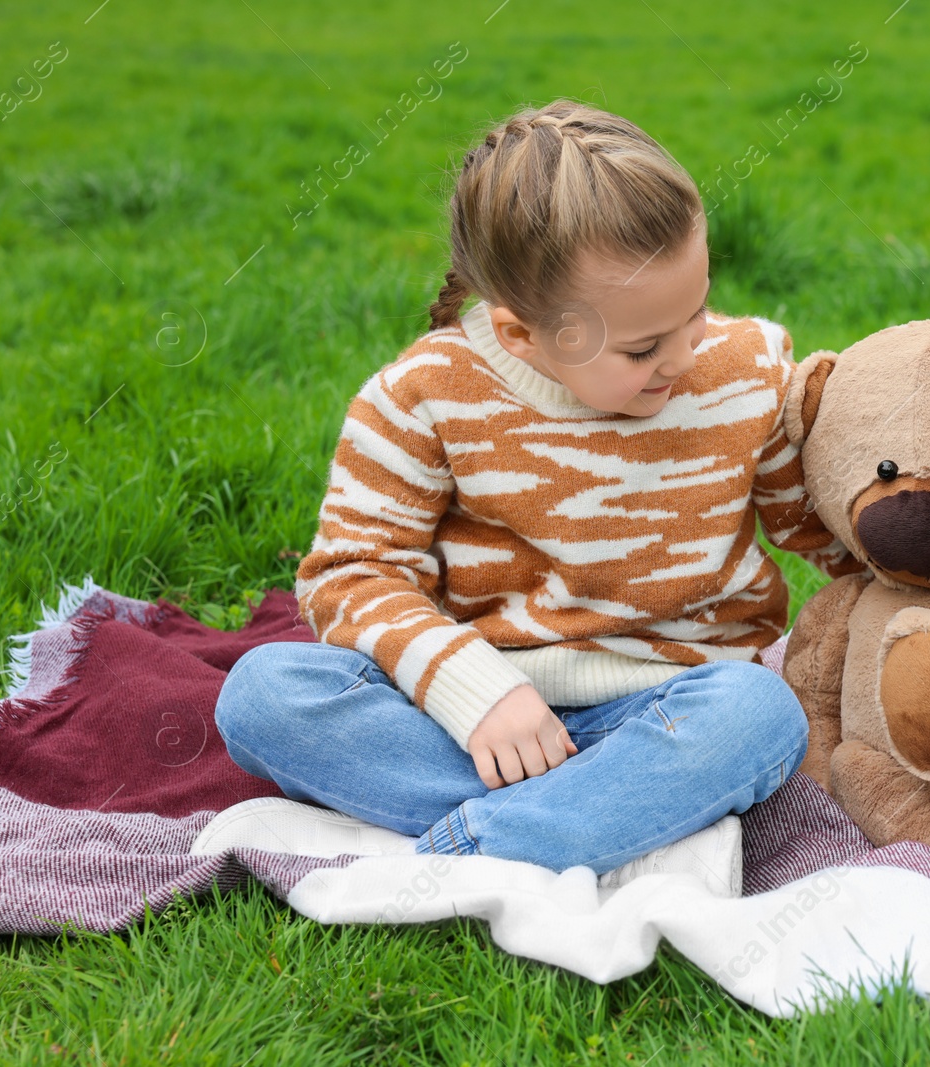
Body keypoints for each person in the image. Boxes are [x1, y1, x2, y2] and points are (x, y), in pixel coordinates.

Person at [210, 99, 861, 890]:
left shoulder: (747, 370)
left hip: (672, 703)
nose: (687, 354)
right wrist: (473, 691)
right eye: (645, 345)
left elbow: (823, 532)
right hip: (473, 716)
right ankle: (585, 820)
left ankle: (479, 845)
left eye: (697, 311)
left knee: (761, 716)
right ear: (522, 333)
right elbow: (351, 573)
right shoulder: (423, 397)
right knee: (262, 694)